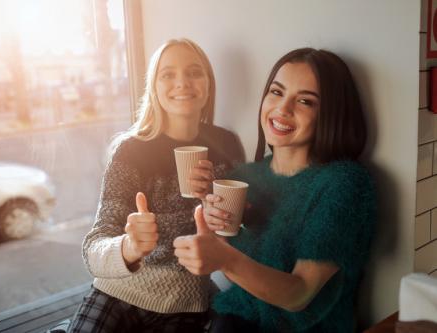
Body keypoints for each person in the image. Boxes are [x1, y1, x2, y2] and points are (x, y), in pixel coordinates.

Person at [173, 48, 376, 332]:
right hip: (234, 322)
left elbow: (300, 294)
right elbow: (243, 280)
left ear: (330, 114)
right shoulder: (243, 178)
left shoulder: (345, 184)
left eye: (305, 101)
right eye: (276, 92)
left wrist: (225, 258)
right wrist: (215, 229)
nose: (282, 109)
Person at [68, 38, 245, 333]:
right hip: (119, 291)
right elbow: (94, 249)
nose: (182, 83)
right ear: (154, 86)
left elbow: (235, 235)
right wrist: (129, 246)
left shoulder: (226, 145)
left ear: (208, 84)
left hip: (187, 300)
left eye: (194, 72)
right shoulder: (131, 150)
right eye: (168, 74)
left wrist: (212, 203)